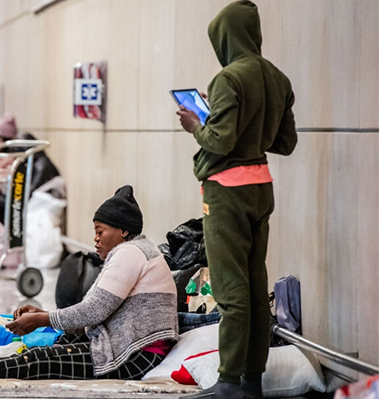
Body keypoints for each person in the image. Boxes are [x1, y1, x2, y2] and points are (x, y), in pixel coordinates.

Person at [0, 185, 178, 380]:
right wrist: (43, 315)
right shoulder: (136, 250)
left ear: (122, 231)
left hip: (136, 356)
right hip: (135, 348)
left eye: (100, 232)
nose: (95, 239)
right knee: (58, 343)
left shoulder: (130, 253)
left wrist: (42, 320)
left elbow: (94, 311)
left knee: (40, 358)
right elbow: (96, 310)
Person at [175, 2, 297, 398]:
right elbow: (285, 142)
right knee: (255, 285)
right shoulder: (278, 78)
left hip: (226, 193)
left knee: (230, 291)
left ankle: (227, 381)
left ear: (225, 38)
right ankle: (251, 381)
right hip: (261, 188)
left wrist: (197, 124)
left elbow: (219, 140)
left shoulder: (229, 78)